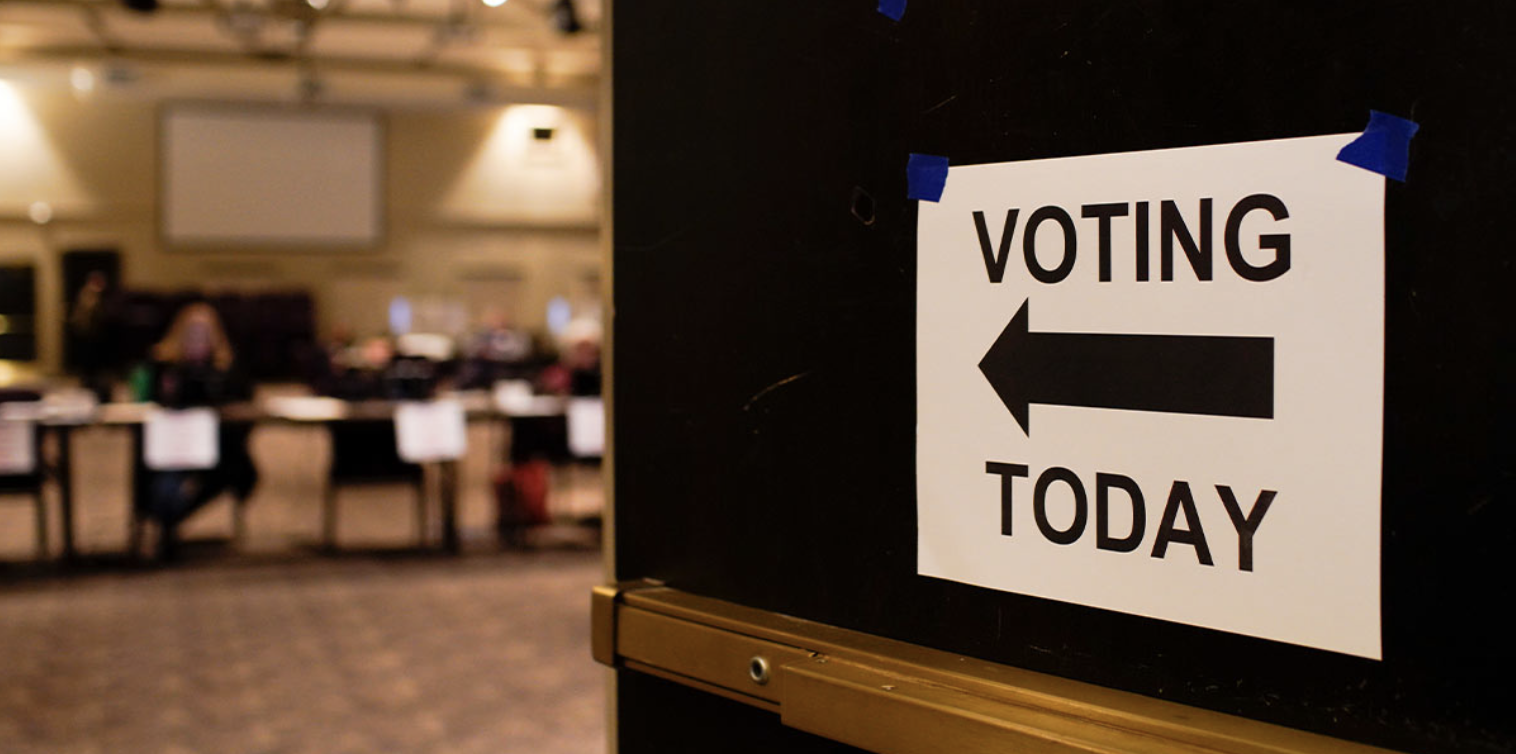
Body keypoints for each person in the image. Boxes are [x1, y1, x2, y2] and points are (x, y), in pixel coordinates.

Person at [141, 302, 258, 560]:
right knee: (165, 485)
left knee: (227, 471)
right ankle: (166, 531)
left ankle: (170, 525)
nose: (197, 341)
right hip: (174, 444)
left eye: (203, 335)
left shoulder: (226, 368)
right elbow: (146, 403)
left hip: (217, 446)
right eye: (192, 334)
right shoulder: (164, 366)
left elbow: (244, 405)